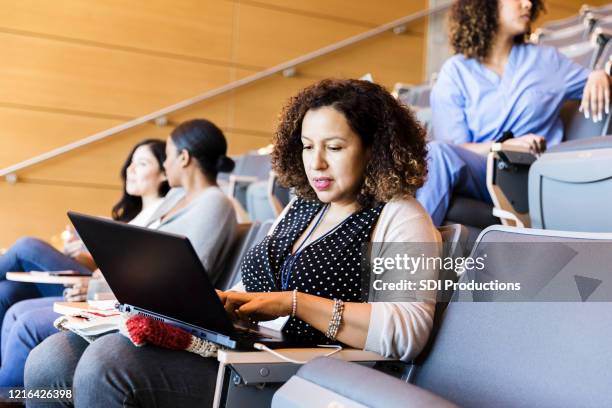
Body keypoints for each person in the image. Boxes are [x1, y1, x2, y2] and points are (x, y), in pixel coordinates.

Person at [24, 79, 441, 408]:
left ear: (375, 150)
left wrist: (293, 303)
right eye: (308, 146)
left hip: (299, 376)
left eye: (334, 148)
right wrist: (222, 304)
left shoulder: (402, 218)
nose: (315, 163)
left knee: (109, 365)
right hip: (245, 352)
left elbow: (409, 334)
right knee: (52, 360)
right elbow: (252, 288)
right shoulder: (301, 207)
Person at [5, 117, 239, 389]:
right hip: (123, 298)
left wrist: (101, 285)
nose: (165, 164)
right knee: (16, 304)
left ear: (184, 158)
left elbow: (188, 275)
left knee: (28, 322)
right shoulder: (176, 198)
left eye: (169, 155)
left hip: (150, 312)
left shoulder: (215, 203)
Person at [416, 0, 611, 225]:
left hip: (528, 171)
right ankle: (401, 249)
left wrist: (598, 75)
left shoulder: (547, 60)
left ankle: (401, 254)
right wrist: (502, 146)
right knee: (435, 154)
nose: (527, 4)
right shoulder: (455, 71)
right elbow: (455, 147)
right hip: (483, 168)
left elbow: (592, 81)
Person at [0, 138, 170, 387]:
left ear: (165, 173)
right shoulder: (132, 216)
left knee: (28, 246)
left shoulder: (164, 215)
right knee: (7, 291)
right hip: (93, 280)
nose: (130, 170)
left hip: (104, 290)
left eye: (142, 164)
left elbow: (133, 269)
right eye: (131, 163)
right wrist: (84, 251)